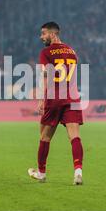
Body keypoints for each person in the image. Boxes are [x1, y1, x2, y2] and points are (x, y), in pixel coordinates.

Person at [28, 22, 84, 185]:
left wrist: (41, 99)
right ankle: (78, 172)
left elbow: (47, 75)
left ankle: (41, 173)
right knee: (75, 137)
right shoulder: (72, 51)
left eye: (43, 33)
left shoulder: (46, 52)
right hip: (72, 98)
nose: (41, 37)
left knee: (44, 137)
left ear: (53, 34)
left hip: (54, 98)